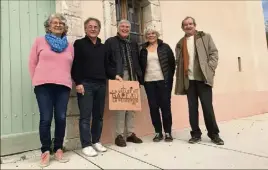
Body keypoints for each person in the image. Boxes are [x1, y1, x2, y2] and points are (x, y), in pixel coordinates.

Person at [28, 13, 74, 167]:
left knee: (61, 118)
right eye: (55, 22)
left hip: (63, 86)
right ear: (48, 26)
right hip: (43, 86)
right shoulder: (39, 41)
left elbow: (71, 65)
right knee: (46, 118)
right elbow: (32, 63)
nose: (58, 24)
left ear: (64, 26)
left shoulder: (69, 45)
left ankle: (59, 148)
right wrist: (36, 81)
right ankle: (46, 151)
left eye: (61, 22)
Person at [174, 16, 224, 145]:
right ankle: (195, 134)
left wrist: (210, 69)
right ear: (182, 27)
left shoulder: (205, 37)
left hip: (203, 79)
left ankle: (214, 134)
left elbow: (214, 53)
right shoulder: (180, 43)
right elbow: (178, 61)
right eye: (185, 25)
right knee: (192, 109)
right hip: (189, 80)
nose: (188, 26)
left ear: (194, 25)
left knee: (207, 107)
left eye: (190, 24)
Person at [71, 17, 107, 157]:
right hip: (85, 84)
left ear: (99, 29)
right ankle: (86, 144)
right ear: (85, 29)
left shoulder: (103, 47)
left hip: (101, 84)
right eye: (90, 26)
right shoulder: (79, 44)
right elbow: (76, 64)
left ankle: (96, 141)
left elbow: (107, 65)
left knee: (98, 116)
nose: (93, 29)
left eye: (96, 26)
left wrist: (114, 75)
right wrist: (78, 82)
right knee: (85, 116)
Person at [104, 19, 143, 147]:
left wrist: (139, 76)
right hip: (120, 76)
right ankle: (119, 135)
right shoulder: (110, 42)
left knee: (132, 106)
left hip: (133, 75)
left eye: (127, 27)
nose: (125, 28)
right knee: (121, 106)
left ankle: (130, 133)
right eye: (122, 26)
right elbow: (106, 62)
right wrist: (113, 75)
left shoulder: (133, 43)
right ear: (118, 28)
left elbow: (137, 60)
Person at [139, 26, 175, 142]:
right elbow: (140, 66)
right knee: (153, 108)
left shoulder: (165, 47)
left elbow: (172, 64)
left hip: (163, 81)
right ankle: (158, 132)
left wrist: (169, 79)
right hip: (149, 82)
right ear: (146, 36)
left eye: (153, 33)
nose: (151, 35)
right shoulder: (143, 49)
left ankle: (168, 132)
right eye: (148, 34)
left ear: (157, 34)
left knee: (165, 107)